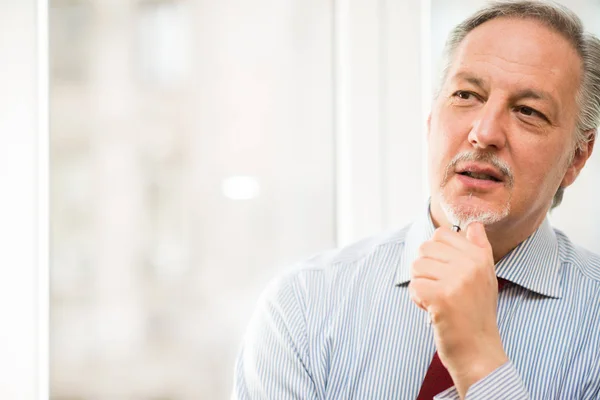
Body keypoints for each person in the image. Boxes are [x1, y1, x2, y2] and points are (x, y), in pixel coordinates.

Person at [233, 1, 600, 399]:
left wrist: (479, 362)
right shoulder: (302, 306)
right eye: (466, 95)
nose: (485, 132)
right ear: (431, 121)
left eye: (528, 110)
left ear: (577, 156)